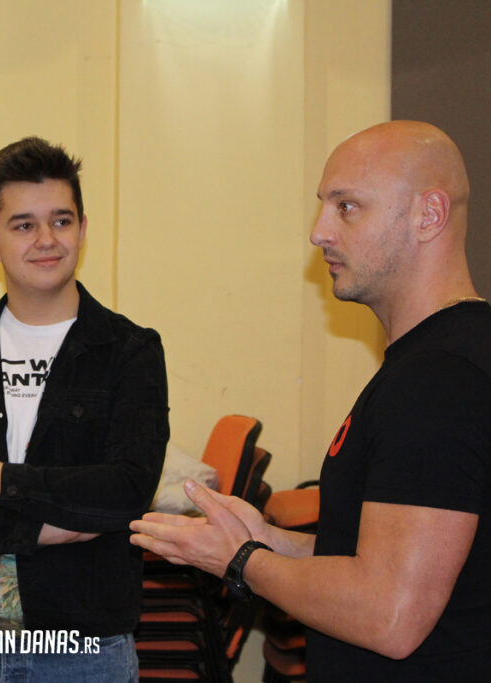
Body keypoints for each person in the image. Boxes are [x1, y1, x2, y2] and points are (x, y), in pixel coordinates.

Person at [130, 120, 491, 680]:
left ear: (429, 215)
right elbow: (383, 563)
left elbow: (389, 615)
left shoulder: (436, 379)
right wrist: (266, 540)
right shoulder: (446, 358)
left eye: (347, 207)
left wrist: (241, 561)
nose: (319, 231)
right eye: (323, 205)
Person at [0, 137, 169, 681]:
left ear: (83, 229)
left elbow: (125, 492)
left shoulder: (130, 351)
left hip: (87, 650)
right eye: (23, 225)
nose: (46, 240)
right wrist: (39, 528)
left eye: (61, 221)